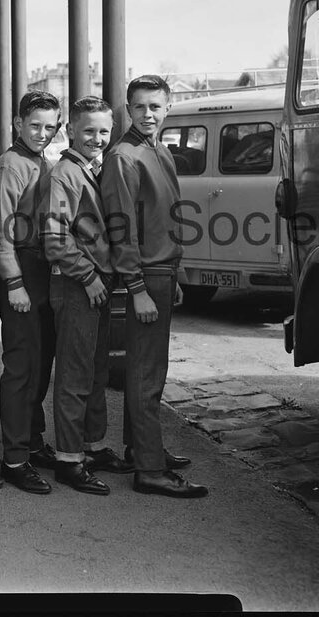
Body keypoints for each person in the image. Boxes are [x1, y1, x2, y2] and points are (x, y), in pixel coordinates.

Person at [100, 74, 208, 498]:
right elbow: (120, 229)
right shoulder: (124, 157)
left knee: (146, 371)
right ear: (129, 109)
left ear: (168, 107)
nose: (148, 114)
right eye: (140, 106)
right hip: (145, 275)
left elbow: (169, 220)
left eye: (156, 106)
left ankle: (140, 448)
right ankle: (149, 470)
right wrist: (138, 287)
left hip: (163, 272)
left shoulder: (160, 151)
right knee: (147, 376)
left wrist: (176, 274)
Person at [39, 97, 130, 496]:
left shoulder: (90, 169)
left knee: (96, 371)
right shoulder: (65, 174)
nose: (97, 138)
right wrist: (89, 275)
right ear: (71, 131)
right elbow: (54, 238)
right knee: (76, 374)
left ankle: (92, 445)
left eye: (104, 131)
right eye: (89, 130)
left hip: (95, 284)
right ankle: (69, 459)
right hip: (78, 285)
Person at [0, 91, 61, 495]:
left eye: (51, 127)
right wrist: (12, 283)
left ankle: (32, 441)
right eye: (35, 125)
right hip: (21, 271)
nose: (43, 133)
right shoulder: (9, 166)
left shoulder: (40, 161)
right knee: (21, 368)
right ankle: (14, 459)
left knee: (40, 363)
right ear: (17, 124)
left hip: (41, 271)